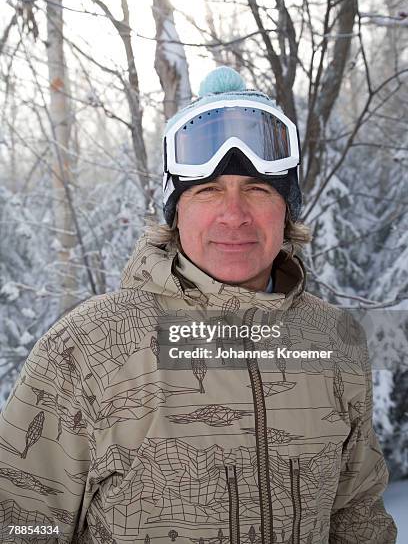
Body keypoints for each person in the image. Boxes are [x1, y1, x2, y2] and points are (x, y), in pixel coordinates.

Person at [0, 67, 397, 543]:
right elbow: (21, 523)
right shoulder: (87, 346)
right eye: (208, 190)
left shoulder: (333, 340)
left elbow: (357, 516)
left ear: (286, 210)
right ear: (176, 210)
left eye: (258, 189)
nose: (234, 215)